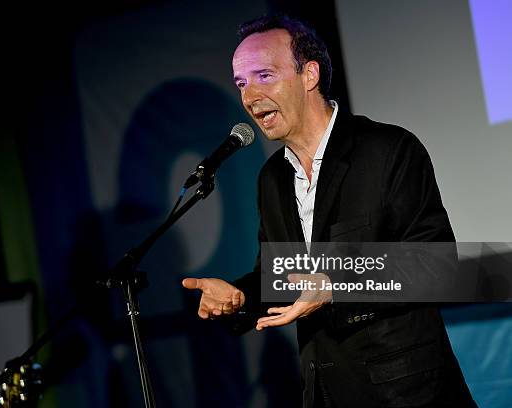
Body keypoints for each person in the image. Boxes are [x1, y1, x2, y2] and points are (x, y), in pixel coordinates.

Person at [182, 14, 476, 408]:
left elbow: (436, 264)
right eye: (241, 83)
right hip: (325, 394)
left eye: (263, 75)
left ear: (309, 75)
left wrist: (335, 283)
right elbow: (282, 276)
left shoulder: (387, 149)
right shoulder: (272, 178)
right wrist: (239, 295)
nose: (249, 97)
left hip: (405, 393)